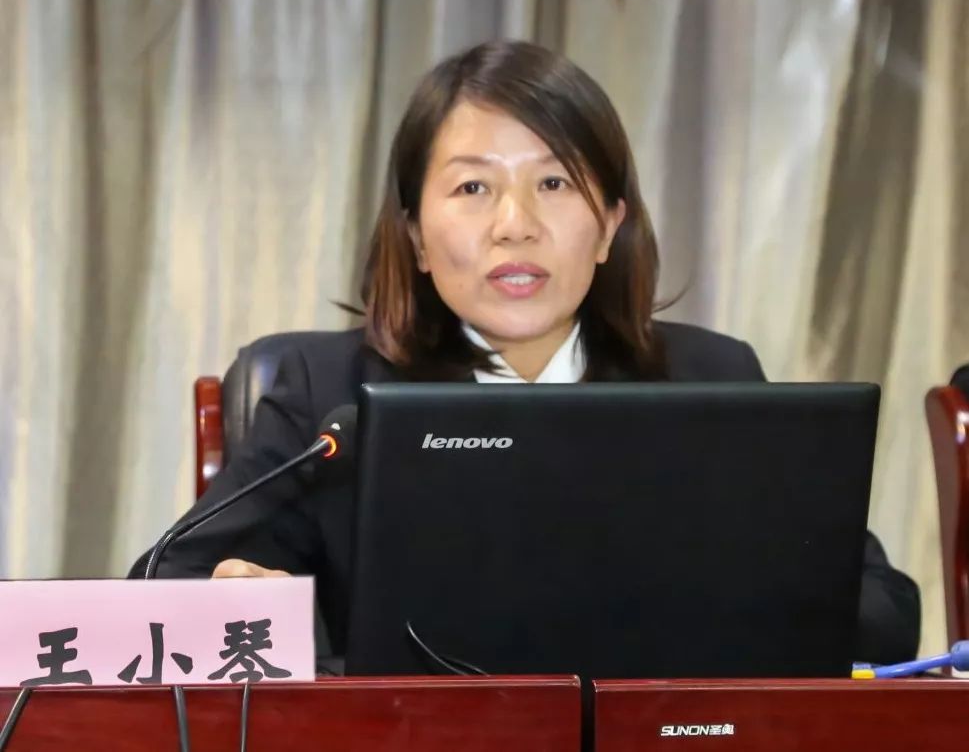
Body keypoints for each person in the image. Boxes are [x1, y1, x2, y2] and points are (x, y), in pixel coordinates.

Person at [132, 40, 920, 668]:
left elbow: (885, 615)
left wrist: (724, 588)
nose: (515, 224)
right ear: (416, 236)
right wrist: (257, 607)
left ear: (609, 225)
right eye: (472, 189)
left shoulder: (711, 381)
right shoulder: (326, 397)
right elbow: (163, 588)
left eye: (554, 184)